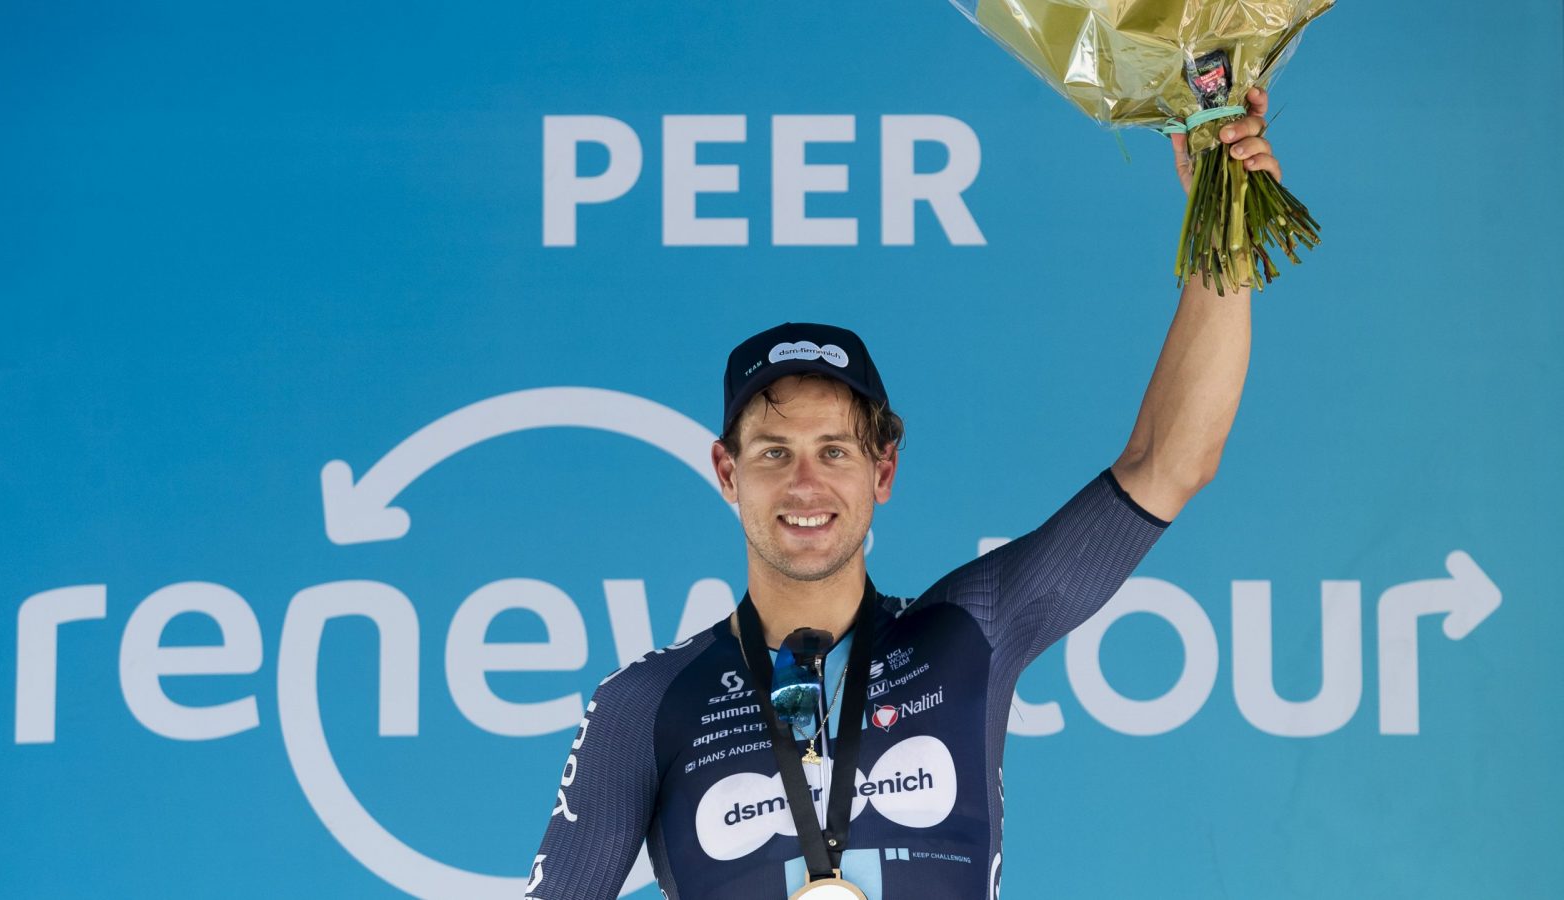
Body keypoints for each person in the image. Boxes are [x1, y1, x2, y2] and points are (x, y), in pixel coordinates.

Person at [526, 88, 1283, 900]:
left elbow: (1168, 463)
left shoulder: (968, 632)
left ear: (883, 471)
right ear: (726, 473)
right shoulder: (645, 705)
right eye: (774, 452)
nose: (805, 484)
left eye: (834, 451)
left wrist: (1223, 214)